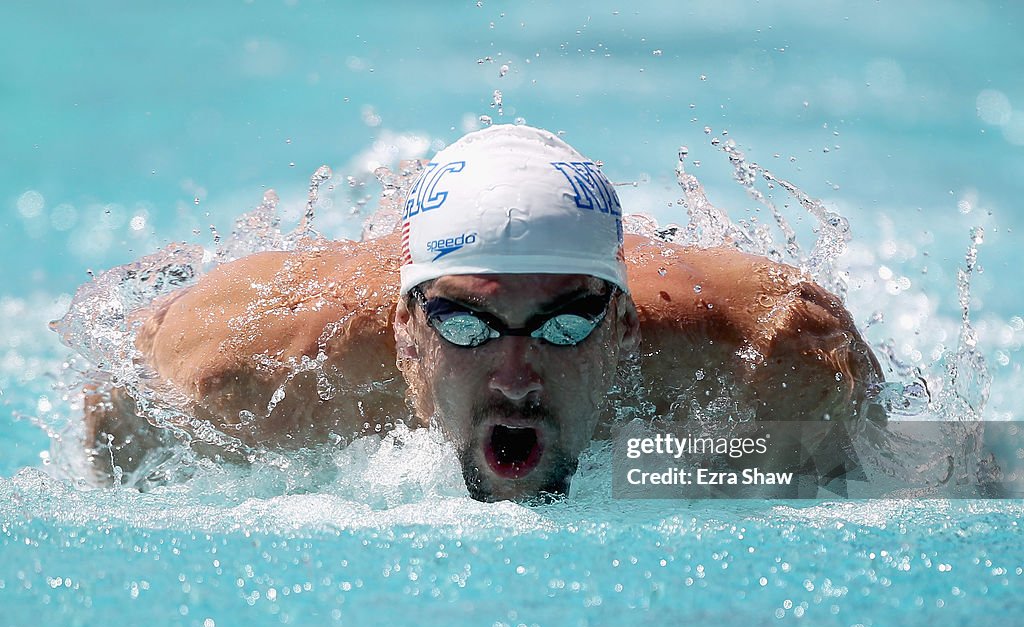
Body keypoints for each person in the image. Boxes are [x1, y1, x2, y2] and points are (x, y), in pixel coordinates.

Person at [83, 125, 883, 500]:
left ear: (627, 327)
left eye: (566, 323)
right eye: (464, 325)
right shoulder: (257, 369)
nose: (515, 374)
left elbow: (931, 468)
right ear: (404, 329)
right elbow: (117, 420)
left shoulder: (774, 357)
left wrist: (695, 473)